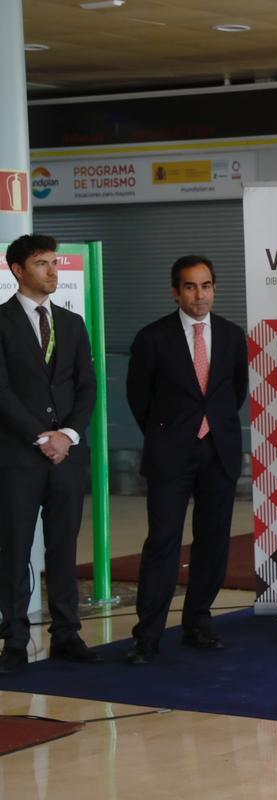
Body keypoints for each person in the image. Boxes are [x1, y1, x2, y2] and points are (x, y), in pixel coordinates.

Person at [124, 256, 249, 665]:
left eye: (207, 285)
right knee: (163, 542)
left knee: (213, 542)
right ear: (176, 292)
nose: (201, 295)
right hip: (171, 454)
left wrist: (213, 427)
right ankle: (148, 635)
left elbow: (235, 392)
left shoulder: (232, 336)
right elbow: (138, 398)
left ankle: (197, 624)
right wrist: (168, 434)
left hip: (219, 452)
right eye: (191, 287)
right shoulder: (152, 337)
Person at [0, 234, 99, 674]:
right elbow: (0, 391)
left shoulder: (72, 323)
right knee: (14, 549)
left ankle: (67, 633)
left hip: (67, 456)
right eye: (41, 264)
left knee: (63, 547)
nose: (53, 271)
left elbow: (86, 386)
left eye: (54, 263)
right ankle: (16, 641)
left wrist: (69, 434)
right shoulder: (1, 322)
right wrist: (42, 436)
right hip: (18, 457)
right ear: (18, 270)